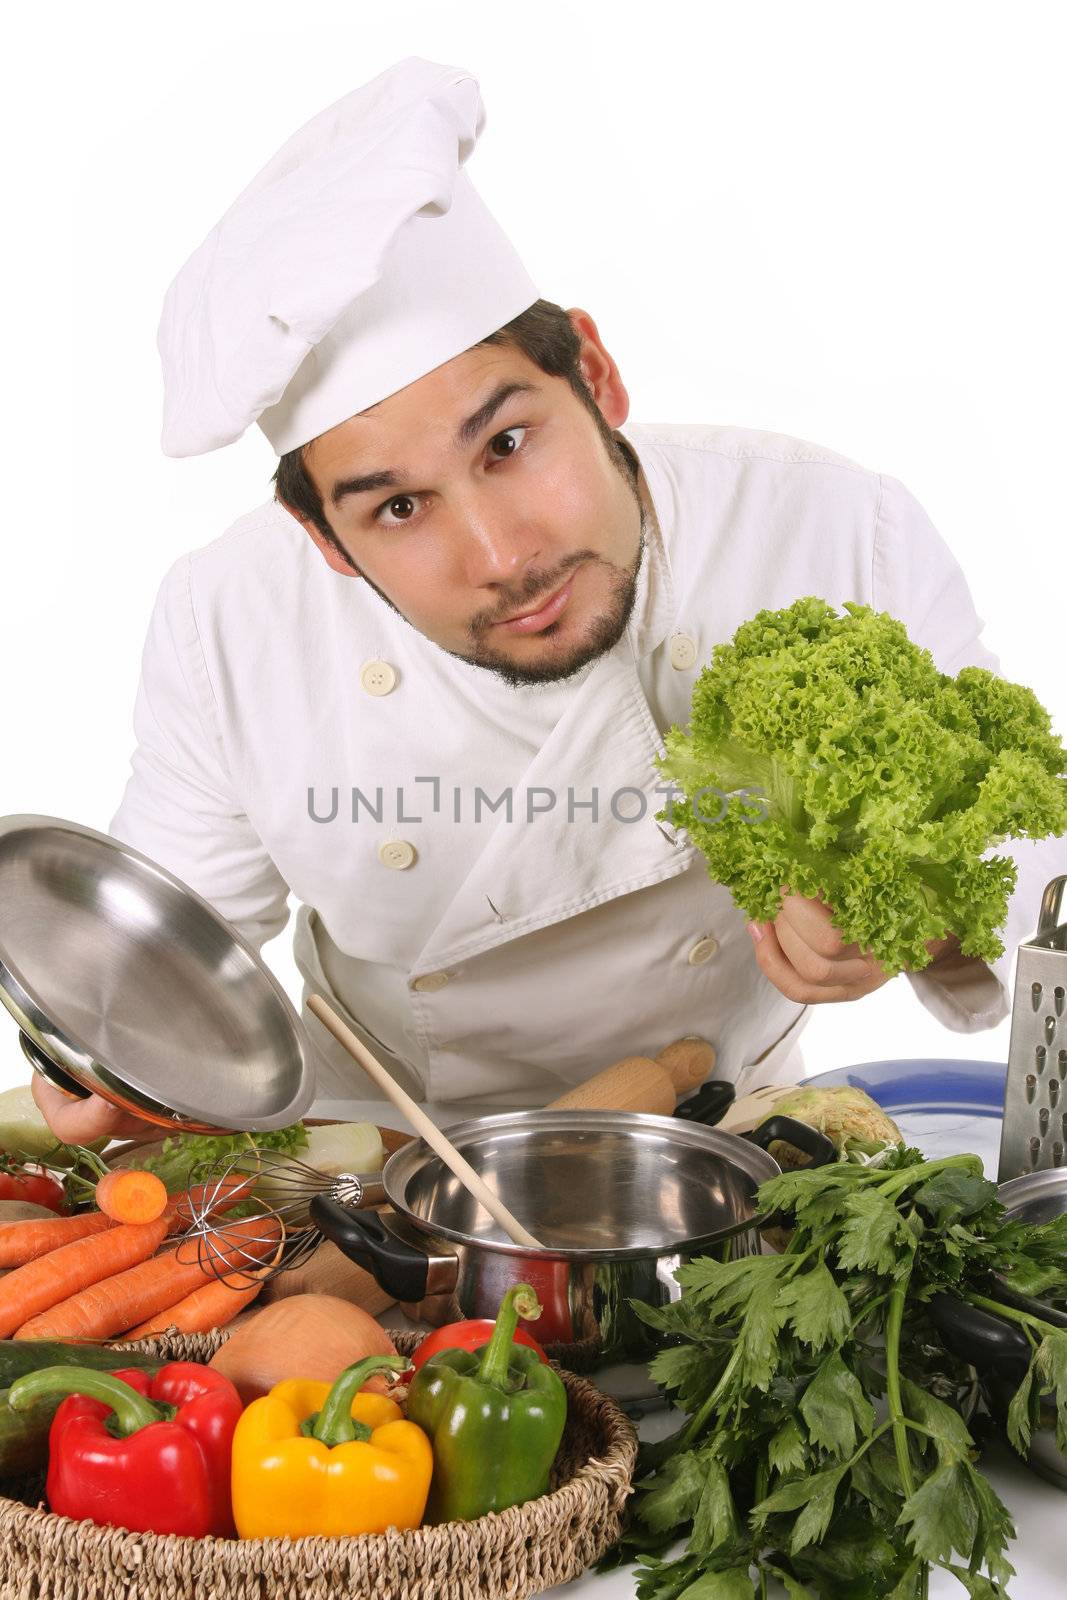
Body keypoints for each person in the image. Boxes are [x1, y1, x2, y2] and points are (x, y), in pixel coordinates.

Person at [33, 57, 1063, 1148]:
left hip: (734, 1137)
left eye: (509, 444)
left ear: (599, 378)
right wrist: (110, 1060)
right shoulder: (227, 626)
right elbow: (171, 964)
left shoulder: (825, 527)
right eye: (395, 509)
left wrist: (902, 920)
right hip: (384, 1169)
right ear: (321, 539)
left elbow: (1020, 863)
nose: (499, 554)